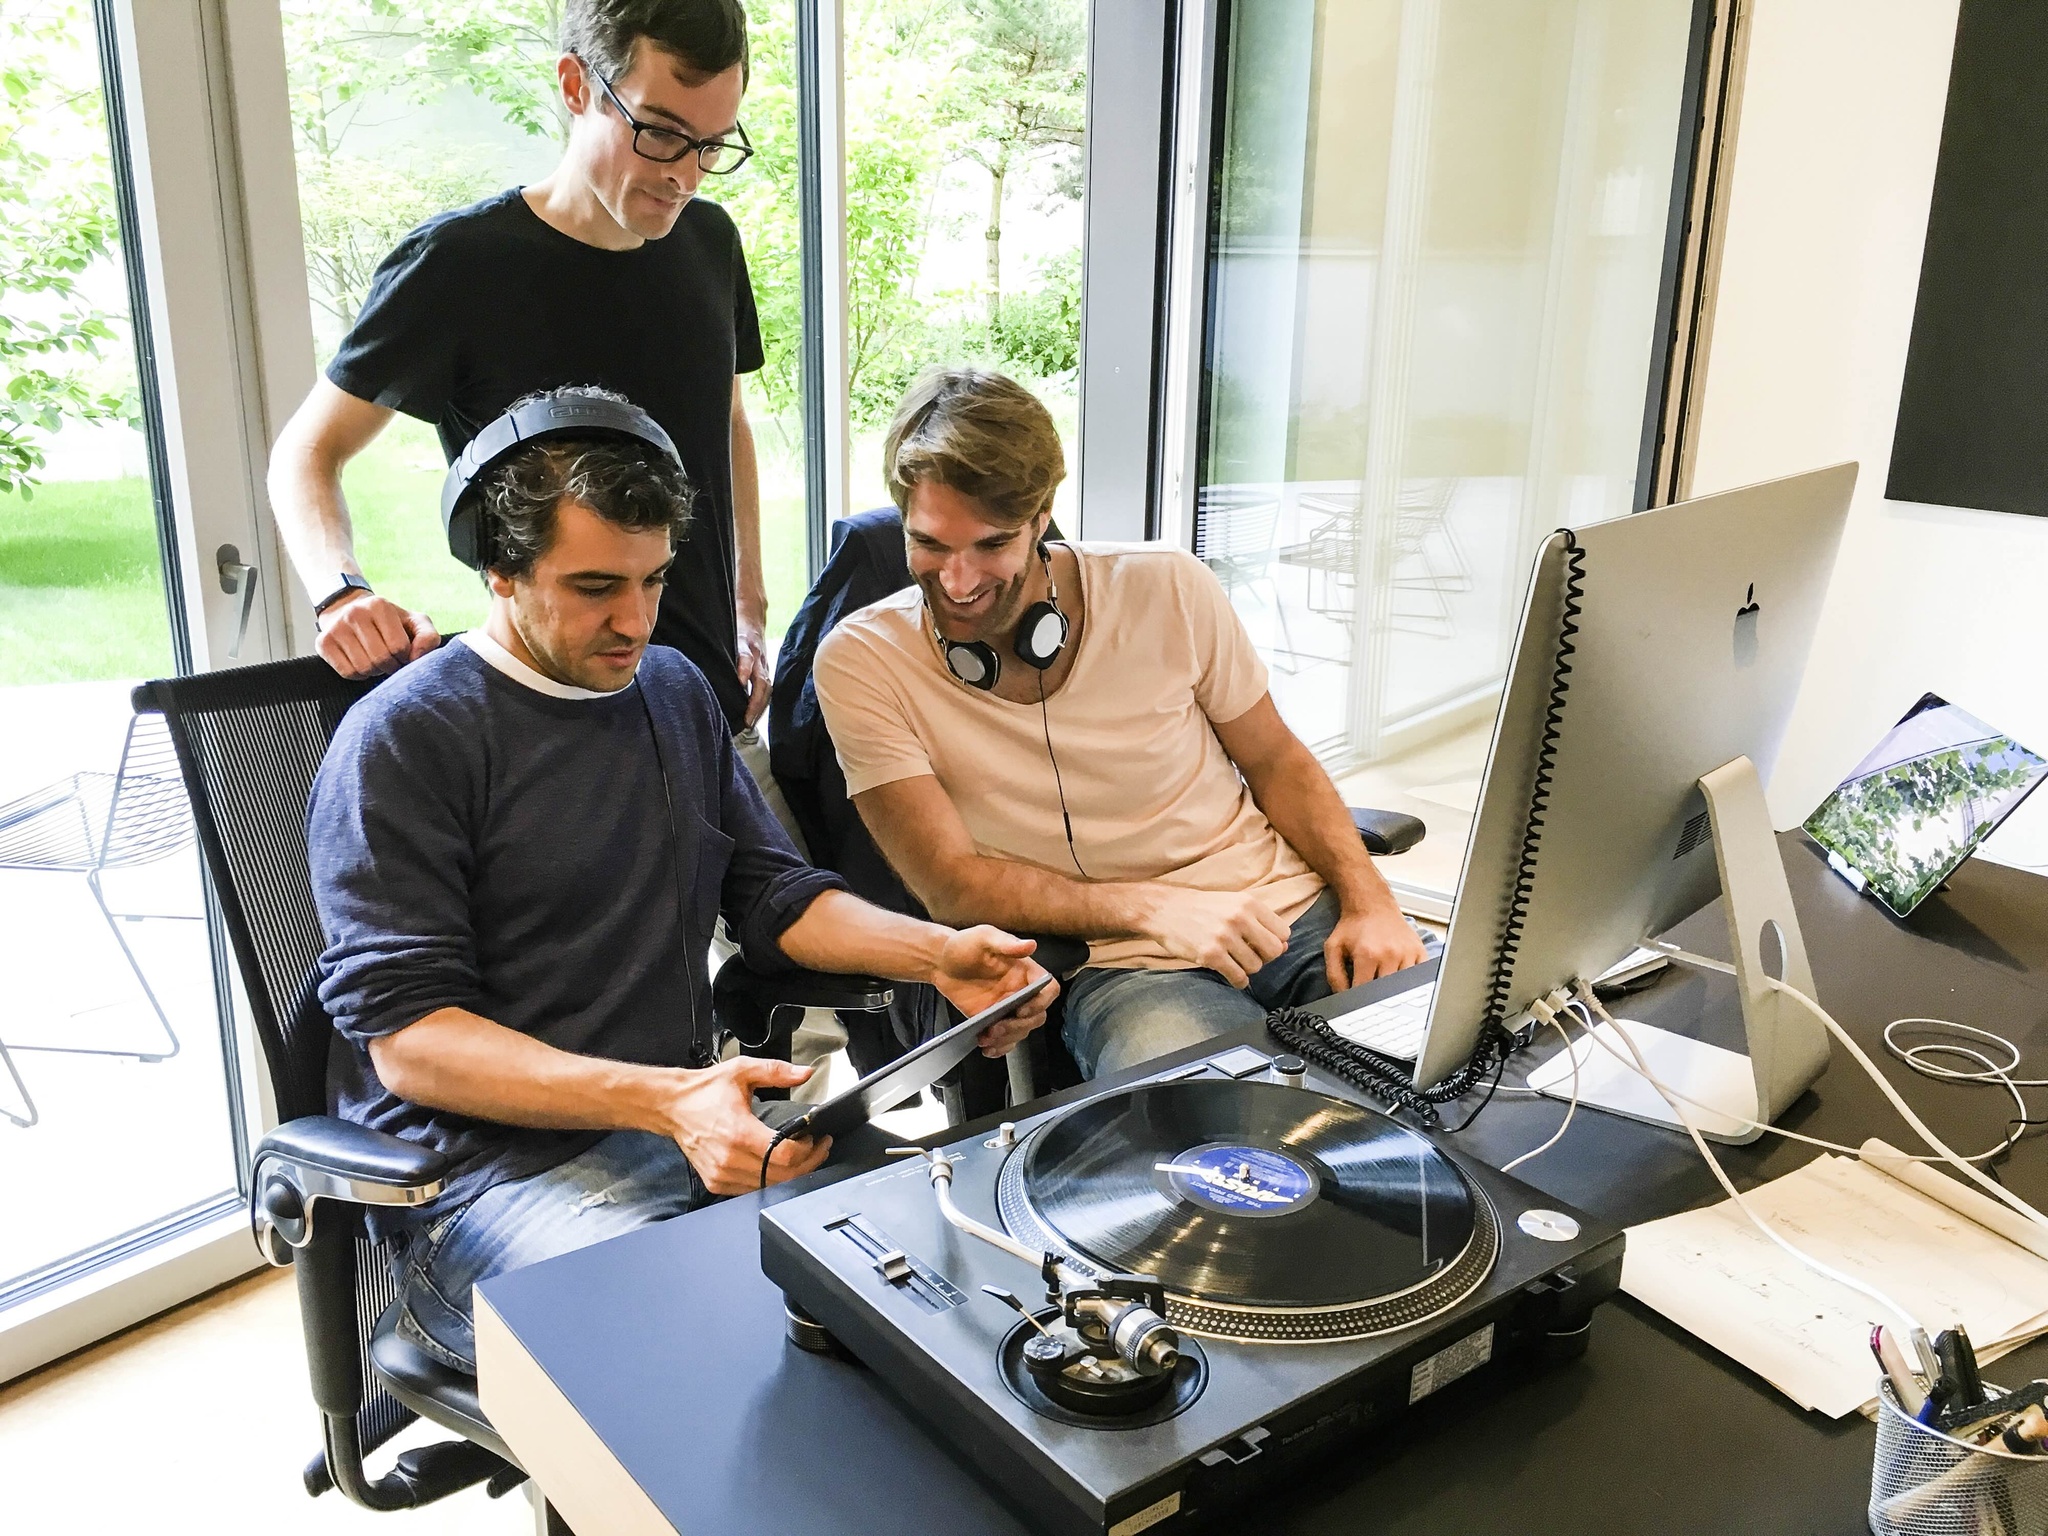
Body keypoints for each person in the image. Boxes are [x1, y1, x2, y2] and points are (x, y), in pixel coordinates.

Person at [308, 396, 1053, 1374]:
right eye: (592, 587)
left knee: (950, 1269)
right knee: (721, 1355)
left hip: (683, 1134)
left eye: (652, 580)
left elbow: (774, 899)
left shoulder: (668, 689)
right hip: (482, 1190)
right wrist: (670, 1102)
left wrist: (939, 953)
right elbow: (410, 1046)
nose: (635, 620)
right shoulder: (408, 740)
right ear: (496, 569)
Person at [812, 368, 1428, 1081]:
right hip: (1128, 969)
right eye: (931, 546)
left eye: (990, 546)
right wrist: (1155, 910)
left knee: (1471, 1065)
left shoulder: (1167, 585)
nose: (957, 582)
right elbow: (952, 883)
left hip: (1292, 915)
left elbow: (1276, 760)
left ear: (1041, 518)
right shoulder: (863, 662)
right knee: (1226, 1137)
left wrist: (1369, 899)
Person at [268, 0, 778, 754]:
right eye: (662, 132)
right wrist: (341, 590)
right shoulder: (459, 266)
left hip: (709, 713)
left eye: (710, 144)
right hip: (551, 739)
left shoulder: (711, 242)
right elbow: (306, 454)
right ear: (576, 85)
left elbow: (725, 422)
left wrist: (750, 610)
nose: (684, 177)